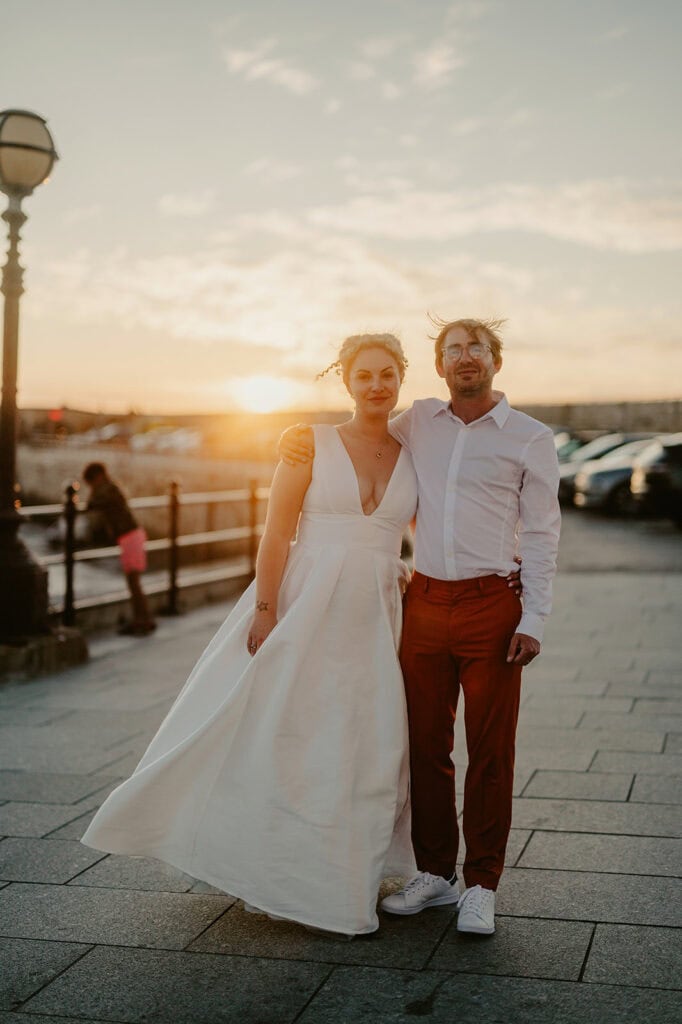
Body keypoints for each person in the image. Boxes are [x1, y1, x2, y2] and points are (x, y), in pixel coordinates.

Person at [81, 334, 420, 937]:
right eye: (364, 374)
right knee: (286, 731)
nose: (376, 384)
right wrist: (266, 608)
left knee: (367, 742)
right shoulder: (308, 443)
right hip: (305, 601)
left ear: (402, 378)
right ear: (346, 380)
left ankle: (345, 877)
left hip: (376, 613)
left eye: (387, 373)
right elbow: (276, 535)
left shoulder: (416, 451)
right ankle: (273, 863)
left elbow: (435, 527)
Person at [280, 316, 560, 935]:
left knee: (490, 750)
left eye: (476, 348)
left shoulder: (531, 438)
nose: (465, 357)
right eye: (453, 349)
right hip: (425, 603)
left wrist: (533, 615)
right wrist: (298, 435)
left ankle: (482, 883)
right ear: (438, 367)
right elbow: (360, 431)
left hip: (493, 605)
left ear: (495, 360)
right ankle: (436, 873)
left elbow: (542, 532)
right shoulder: (419, 424)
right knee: (424, 745)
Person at [82, 462, 156, 637]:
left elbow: (91, 504)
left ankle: (143, 620)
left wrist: (92, 492)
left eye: (91, 482)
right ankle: (143, 620)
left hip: (130, 537)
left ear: (98, 477)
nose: (91, 485)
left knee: (133, 581)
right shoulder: (111, 487)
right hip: (129, 537)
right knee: (133, 581)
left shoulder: (108, 489)